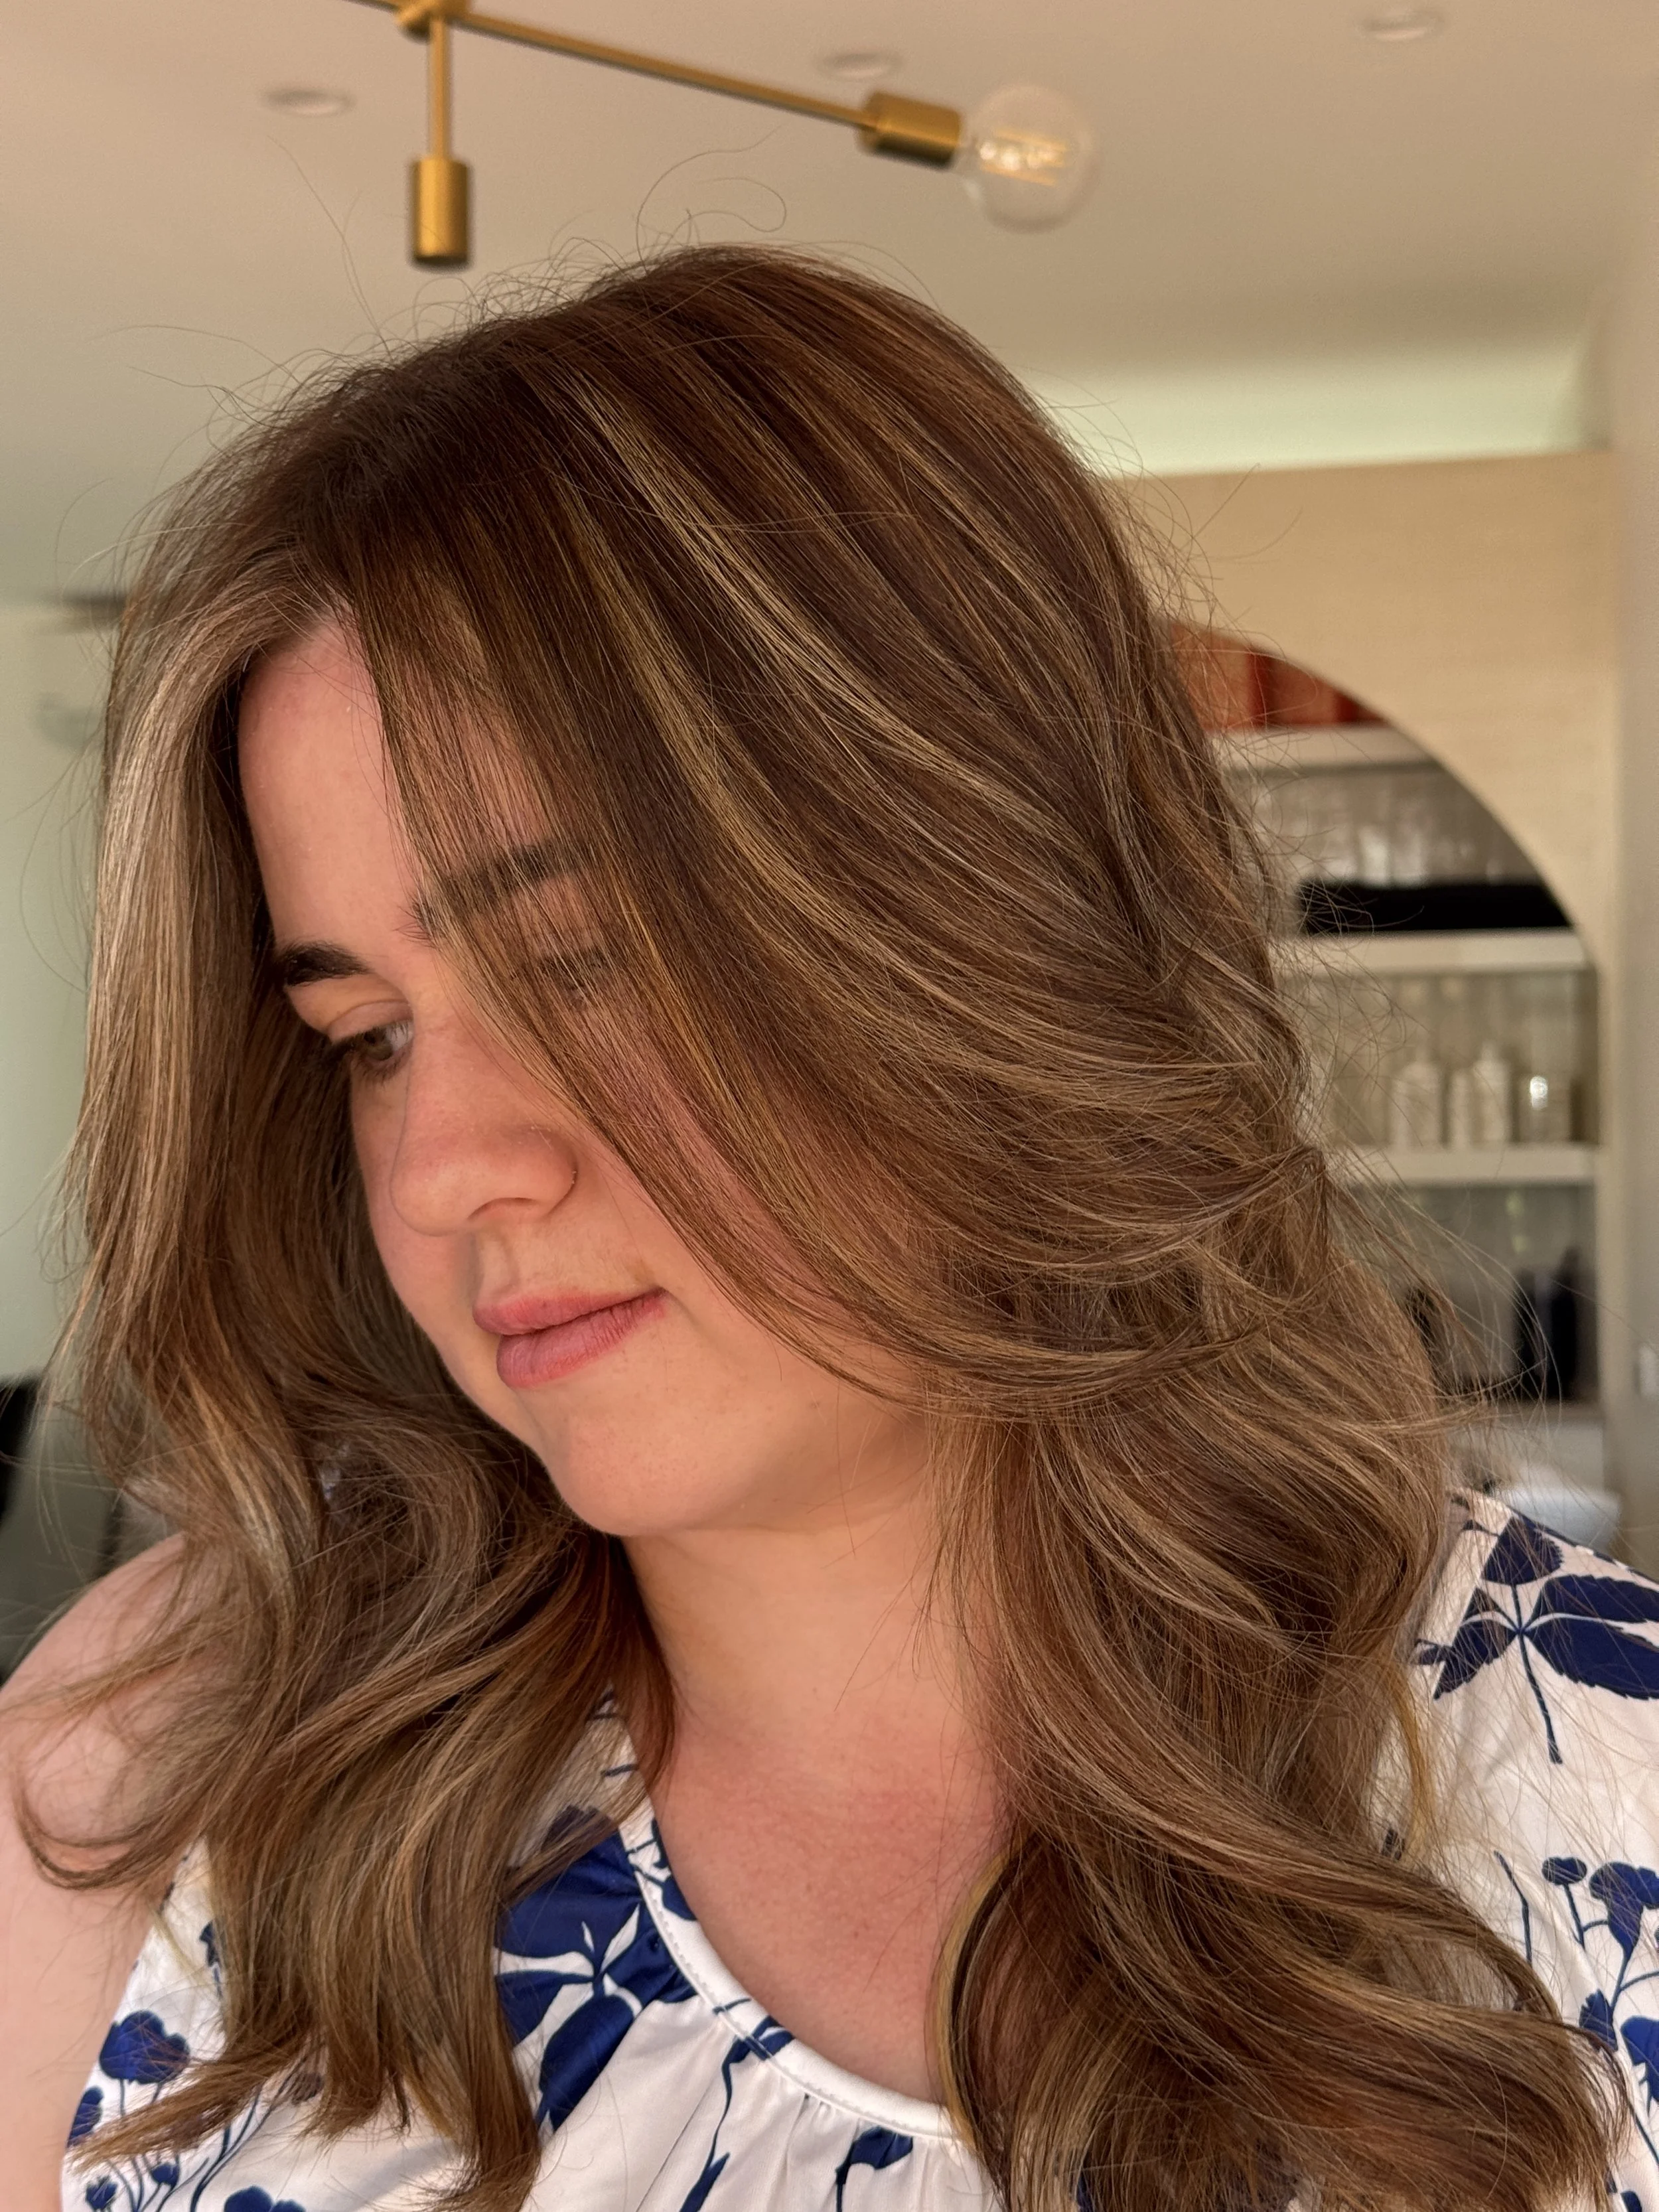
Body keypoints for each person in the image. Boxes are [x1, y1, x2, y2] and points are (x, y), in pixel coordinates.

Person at [0, 245, 1651, 2212]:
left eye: (585, 967)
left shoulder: (1590, 1779)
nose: (443, 1164)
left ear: (984, 918)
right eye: (364, 1033)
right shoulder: (167, 1770)